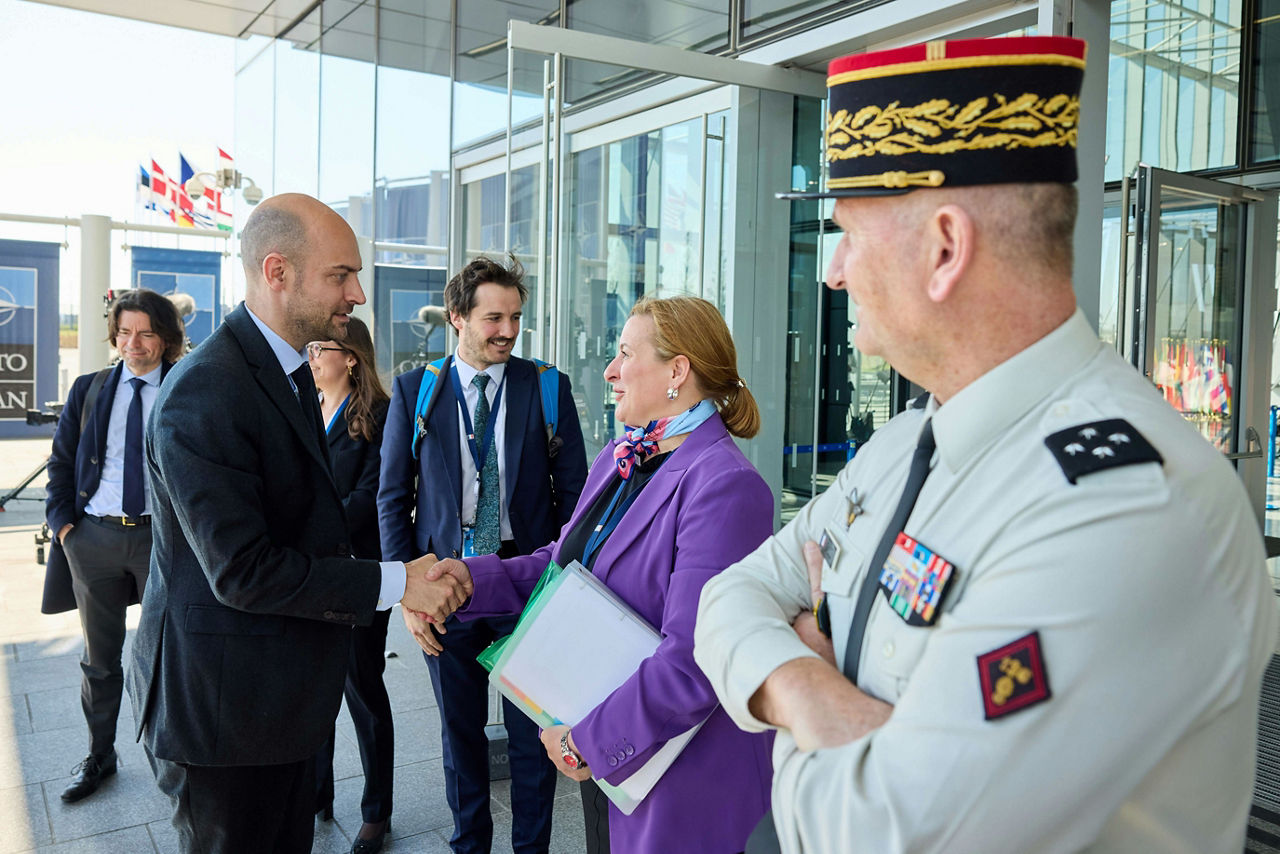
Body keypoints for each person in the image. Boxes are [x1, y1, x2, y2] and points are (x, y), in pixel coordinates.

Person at [693, 35, 1279, 854]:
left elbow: (876, 836)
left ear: (943, 248)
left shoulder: (1127, 506)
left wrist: (789, 699)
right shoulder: (905, 443)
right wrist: (805, 684)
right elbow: (724, 599)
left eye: (850, 233)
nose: (833, 271)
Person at [125, 193, 467, 854]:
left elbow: (309, 528)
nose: (359, 294)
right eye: (341, 275)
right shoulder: (206, 392)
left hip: (274, 707)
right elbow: (245, 571)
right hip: (225, 720)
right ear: (277, 272)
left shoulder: (284, 373)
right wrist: (399, 584)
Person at [429, 296, 776, 854]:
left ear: (677, 372)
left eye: (623, 353)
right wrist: (463, 582)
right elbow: (561, 567)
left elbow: (695, 659)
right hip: (616, 757)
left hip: (681, 778)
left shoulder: (725, 486)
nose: (610, 371)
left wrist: (589, 741)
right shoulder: (624, 456)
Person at [378, 254, 588, 854]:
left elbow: (575, 501)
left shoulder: (546, 386)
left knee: (532, 740)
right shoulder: (418, 390)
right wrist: (408, 596)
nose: (508, 331)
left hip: (526, 585)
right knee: (460, 735)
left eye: (516, 317)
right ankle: (468, 845)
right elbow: (393, 499)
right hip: (446, 585)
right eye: (493, 317)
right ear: (457, 318)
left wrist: (565, 589)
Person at [44, 288, 184, 803]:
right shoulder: (90, 388)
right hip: (94, 539)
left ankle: (174, 762)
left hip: (161, 540)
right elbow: (61, 463)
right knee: (100, 660)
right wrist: (65, 528)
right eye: (124, 332)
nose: (134, 343)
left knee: (167, 656)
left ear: (165, 338)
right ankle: (99, 755)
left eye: (146, 332)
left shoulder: (183, 386)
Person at [308, 317, 395, 854]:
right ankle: (318, 794)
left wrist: (306, 528)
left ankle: (376, 814)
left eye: (321, 348)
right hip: (313, 572)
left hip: (362, 570)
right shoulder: (304, 408)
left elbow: (370, 498)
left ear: (351, 358)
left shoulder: (378, 416)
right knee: (316, 685)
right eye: (310, 347)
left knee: (362, 688)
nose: (311, 355)